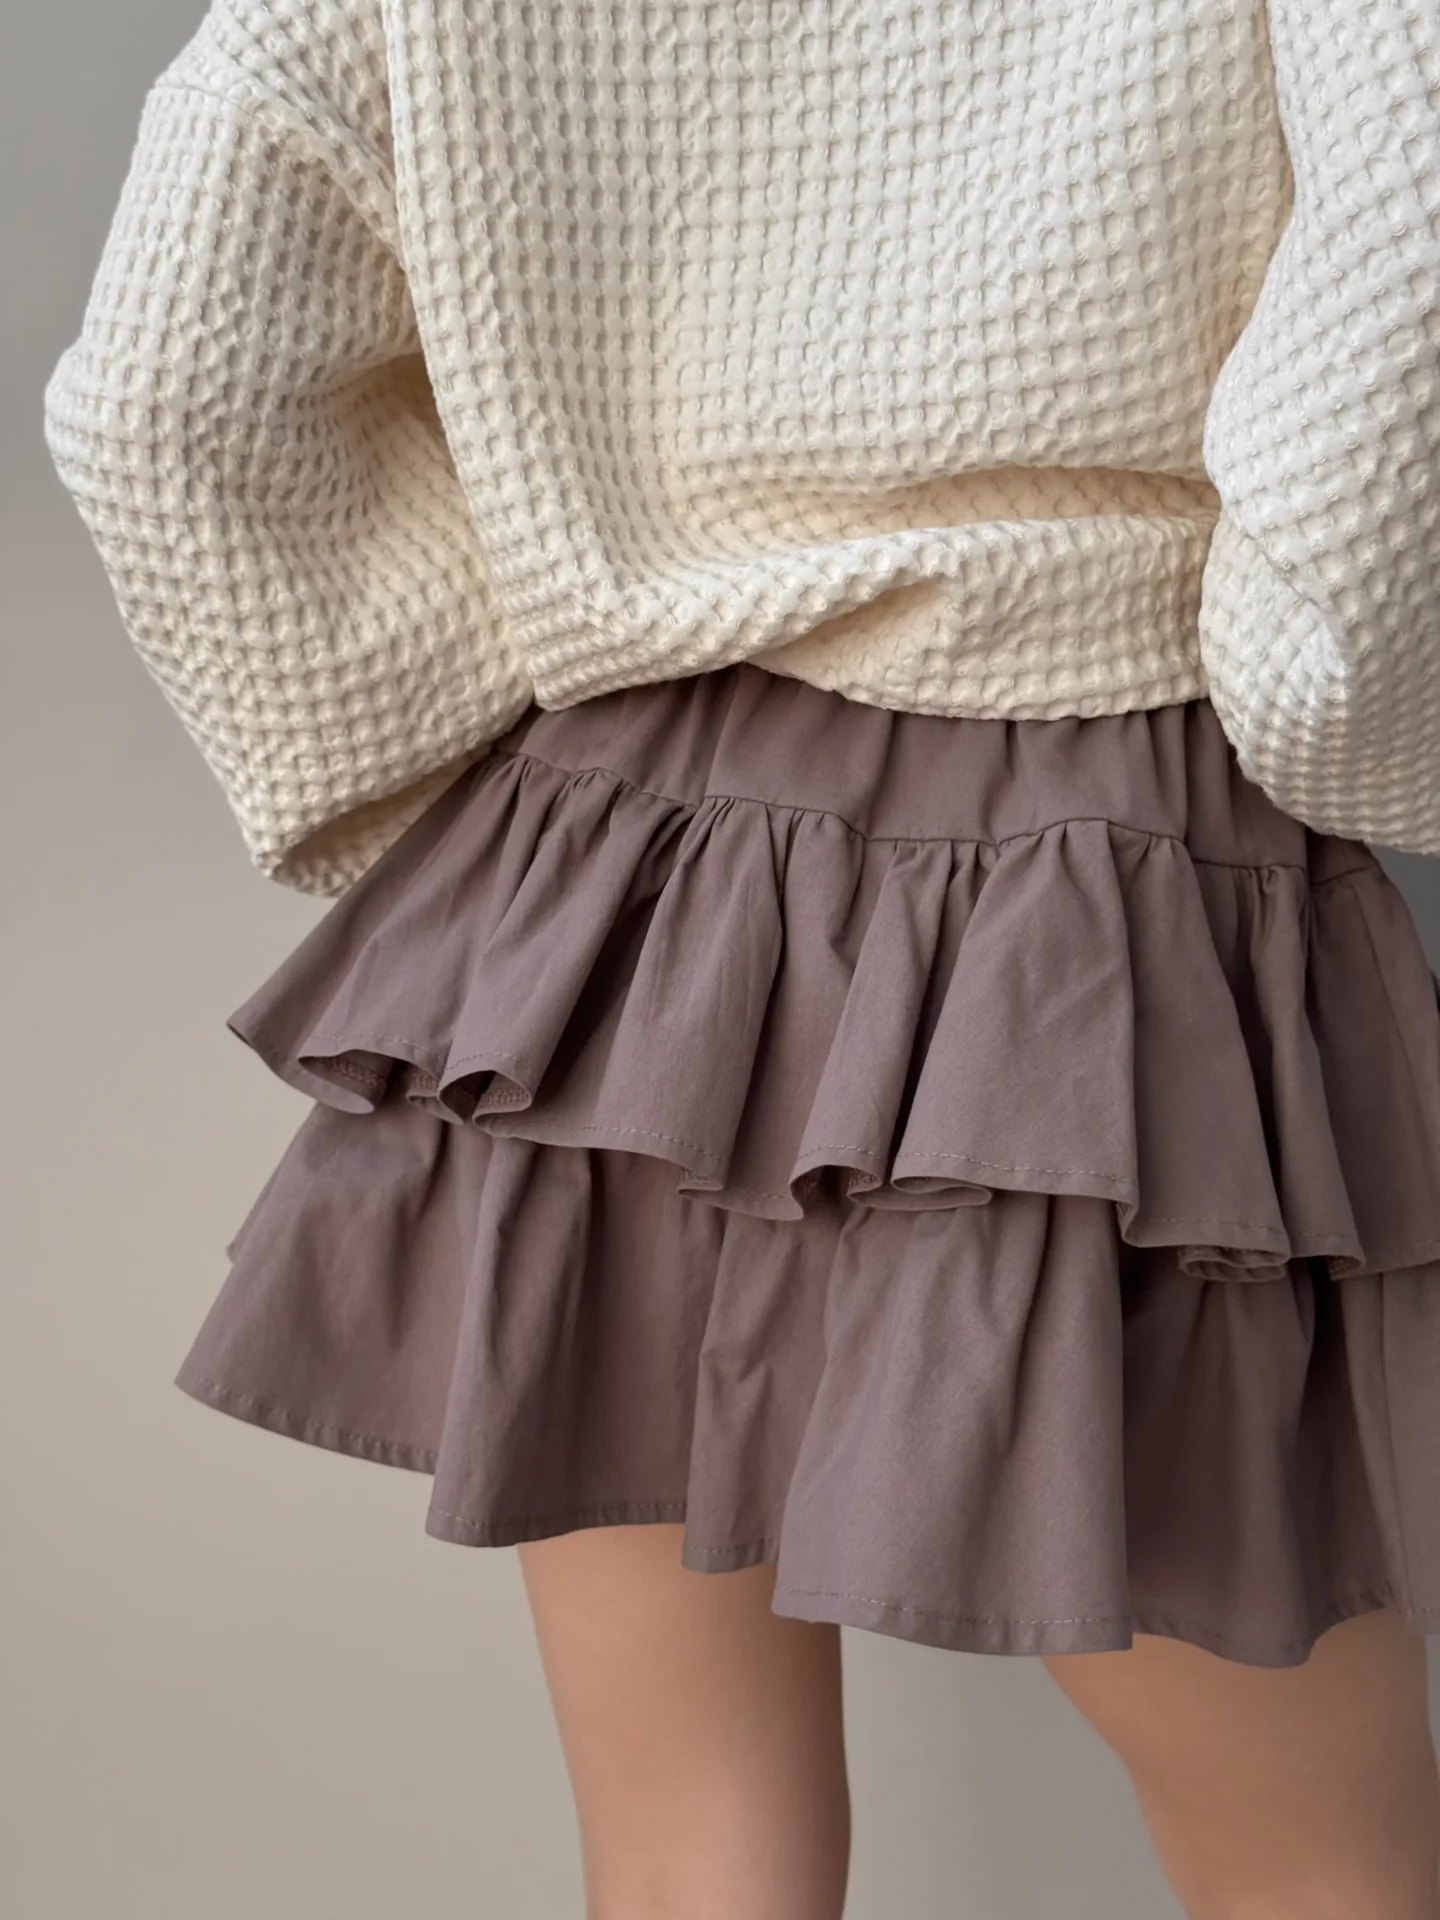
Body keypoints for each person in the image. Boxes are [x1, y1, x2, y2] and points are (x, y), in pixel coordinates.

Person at [43, 2, 1440, 1913]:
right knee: (1320, 1863)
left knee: (690, 1844)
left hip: (623, 908)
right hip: (1101, 876)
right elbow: (1408, 313)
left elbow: (164, 400)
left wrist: (472, 794)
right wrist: (1328, 735)